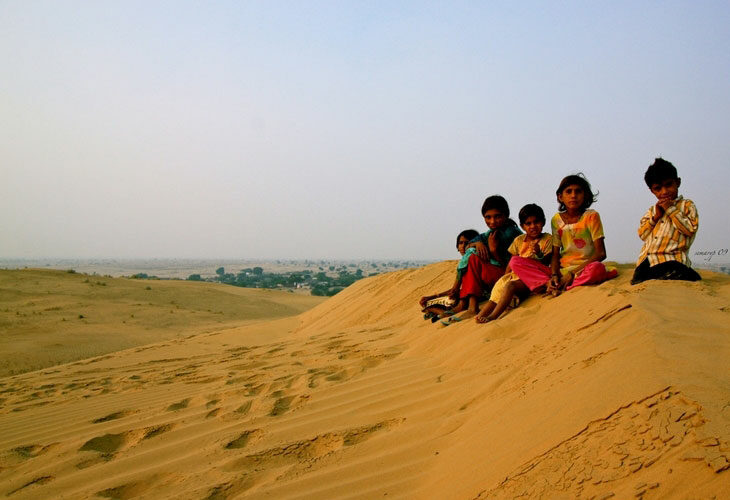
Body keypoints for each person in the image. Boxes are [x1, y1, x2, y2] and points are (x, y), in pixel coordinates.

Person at [509, 174, 617, 296]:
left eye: (578, 191)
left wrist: (572, 274)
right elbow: (555, 254)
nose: (573, 195)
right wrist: (555, 275)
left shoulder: (592, 216)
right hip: (562, 271)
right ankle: (549, 284)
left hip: (584, 269)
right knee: (515, 261)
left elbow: (601, 253)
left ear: (585, 195)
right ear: (560, 197)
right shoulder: (556, 220)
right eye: (568, 192)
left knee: (597, 269)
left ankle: (563, 286)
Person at [442, 196, 521, 323]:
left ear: (506, 215)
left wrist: (494, 251)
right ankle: (469, 306)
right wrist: (477, 244)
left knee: (473, 257)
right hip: (496, 277)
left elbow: (513, 265)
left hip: (510, 278)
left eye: (497, 216)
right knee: (472, 254)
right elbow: (471, 243)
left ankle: (469, 306)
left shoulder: (511, 233)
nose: (492, 221)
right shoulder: (491, 233)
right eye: (488, 217)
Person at [475, 204, 552, 323]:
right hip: (517, 277)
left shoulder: (548, 239)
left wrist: (538, 253)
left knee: (510, 285)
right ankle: (481, 314)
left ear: (543, 222)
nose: (533, 226)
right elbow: (511, 263)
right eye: (528, 223)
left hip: (536, 276)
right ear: (522, 226)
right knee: (500, 287)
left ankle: (493, 316)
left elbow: (546, 262)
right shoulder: (519, 240)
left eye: (536, 222)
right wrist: (506, 276)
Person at [631, 158, 700, 284]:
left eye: (668, 185)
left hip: (673, 259)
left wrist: (670, 210)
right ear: (652, 191)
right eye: (658, 188)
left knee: (681, 271)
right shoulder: (652, 211)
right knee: (639, 277)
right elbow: (642, 234)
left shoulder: (687, 206)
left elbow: (690, 229)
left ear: (677, 182)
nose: (664, 192)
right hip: (648, 261)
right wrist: (656, 217)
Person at [419, 229, 480, 321]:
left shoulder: (470, 260)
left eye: (467, 243)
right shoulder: (464, 262)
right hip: (469, 294)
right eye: (460, 243)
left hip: (477, 296)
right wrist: (432, 297)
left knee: (448, 301)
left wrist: (432, 298)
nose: (463, 246)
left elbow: (454, 290)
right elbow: (454, 290)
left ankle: (439, 312)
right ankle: (436, 311)